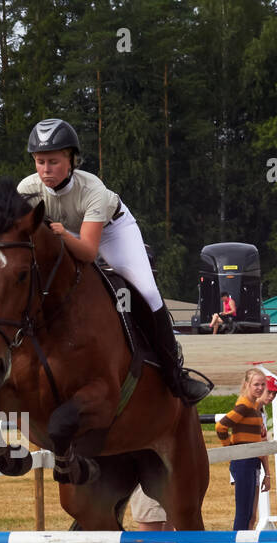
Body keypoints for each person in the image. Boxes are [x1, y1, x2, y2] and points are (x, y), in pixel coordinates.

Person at [19, 118, 212, 404]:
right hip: (63, 232)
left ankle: (176, 375)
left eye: (53, 162)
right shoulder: (27, 190)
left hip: (111, 231)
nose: (45, 170)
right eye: (40, 162)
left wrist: (59, 236)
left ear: (71, 160)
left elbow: (87, 252)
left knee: (146, 291)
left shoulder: (92, 189)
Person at [215, 369, 273, 543]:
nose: (259, 388)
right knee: (243, 513)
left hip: (252, 462)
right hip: (244, 462)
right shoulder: (245, 405)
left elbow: (260, 439)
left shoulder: (256, 407)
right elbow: (221, 426)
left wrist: (267, 472)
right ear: (247, 384)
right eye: (256, 384)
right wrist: (230, 449)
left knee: (249, 514)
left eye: (262, 385)